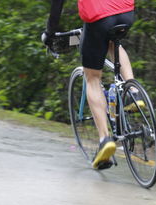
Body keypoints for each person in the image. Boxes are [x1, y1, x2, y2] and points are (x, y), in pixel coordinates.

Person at [42, 0, 136, 170]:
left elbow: (57, 4)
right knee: (113, 43)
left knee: (92, 78)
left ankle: (105, 140)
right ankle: (133, 91)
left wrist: (49, 33)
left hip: (98, 15)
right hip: (126, 11)